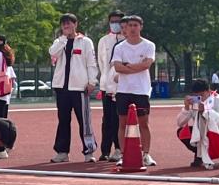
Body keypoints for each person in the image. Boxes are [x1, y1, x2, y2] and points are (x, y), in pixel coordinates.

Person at [48, 13, 98, 163]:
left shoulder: (85, 42)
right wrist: (63, 38)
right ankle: (62, 152)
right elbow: (52, 52)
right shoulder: (59, 41)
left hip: (80, 88)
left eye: (69, 23)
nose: (66, 26)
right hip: (61, 87)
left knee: (84, 121)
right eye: (63, 24)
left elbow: (91, 63)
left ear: (75, 24)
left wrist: (92, 81)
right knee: (63, 120)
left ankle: (89, 151)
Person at [112, 14, 157, 166]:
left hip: (141, 90)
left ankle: (146, 154)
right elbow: (118, 67)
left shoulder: (149, 45)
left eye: (135, 25)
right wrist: (137, 66)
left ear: (141, 27)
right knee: (122, 123)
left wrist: (128, 66)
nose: (132, 28)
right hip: (123, 90)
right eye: (130, 25)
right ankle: (123, 155)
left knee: (144, 123)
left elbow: (146, 65)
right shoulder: (120, 47)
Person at [176, 79, 219, 169]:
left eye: (201, 95)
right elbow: (180, 123)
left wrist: (206, 111)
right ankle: (199, 154)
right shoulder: (194, 102)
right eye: (196, 96)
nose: (199, 98)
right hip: (200, 131)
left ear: (208, 91)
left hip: (216, 132)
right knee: (181, 132)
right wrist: (186, 108)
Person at [96, 10, 125, 162]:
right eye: (112, 21)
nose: (115, 24)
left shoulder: (128, 40)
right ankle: (105, 150)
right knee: (107, 119)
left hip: (123, 86)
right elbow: (101, 63)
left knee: (120, 118)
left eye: (118, 21)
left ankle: (120, 148)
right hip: (106, 86)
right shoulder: (104, 40)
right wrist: (105, 81)